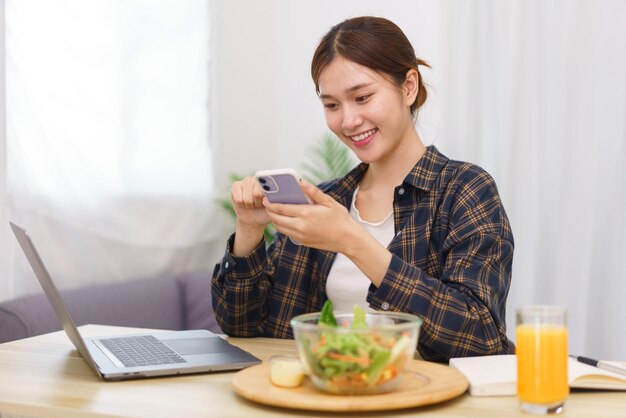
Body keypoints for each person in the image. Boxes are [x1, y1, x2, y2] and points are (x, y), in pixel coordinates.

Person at [212, 16, 514, 361]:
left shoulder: (465, 189)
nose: (348, 121)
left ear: (409, 86)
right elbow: (241, 329)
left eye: (363, 97)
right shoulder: (325, 201)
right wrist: (249, 231)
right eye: (332, 105)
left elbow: (480, 337)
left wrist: (352, 242)